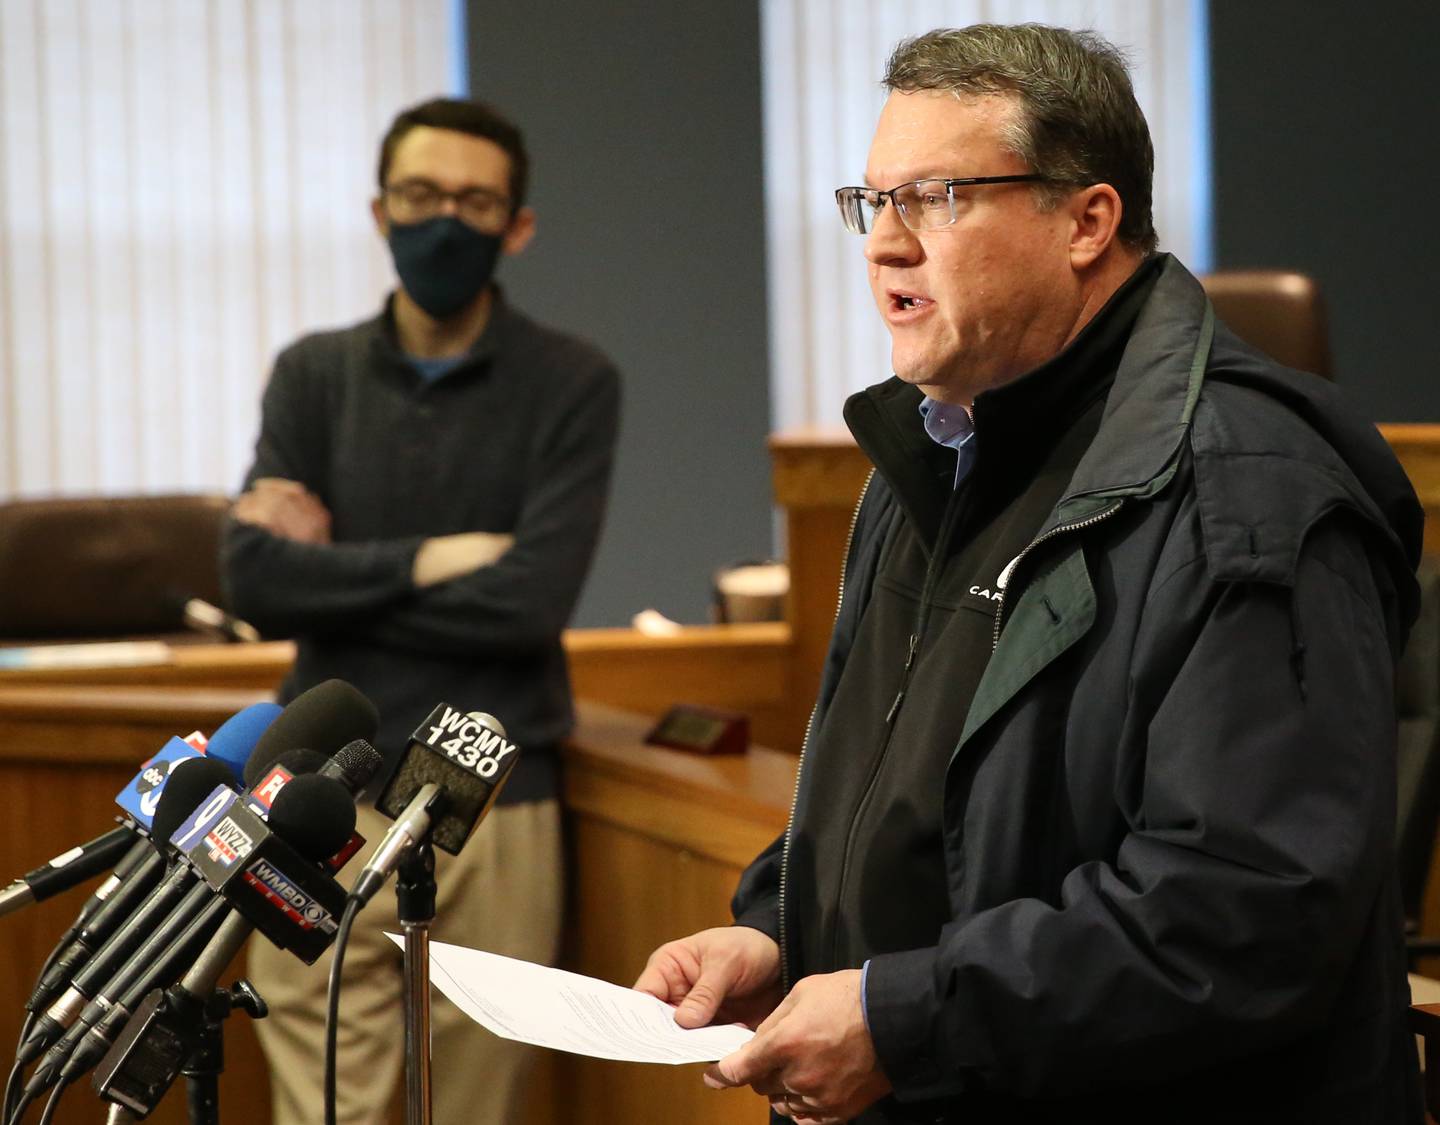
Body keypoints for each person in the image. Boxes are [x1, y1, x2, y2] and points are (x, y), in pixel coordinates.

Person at [636, 23, 1424, 1125]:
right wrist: (778, 932)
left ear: (1087, 221)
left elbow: (1244, 916)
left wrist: (908, 1017)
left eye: (938, 198)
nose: (885, 246)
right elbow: (912, 797)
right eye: (872, 204)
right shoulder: (935, 453)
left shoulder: (1244, 490)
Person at [222, 97, 619, 1125]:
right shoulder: (312, 375)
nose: (444, 220)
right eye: (421, 195)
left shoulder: (573, 381)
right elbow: (255, 582)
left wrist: (341, 574)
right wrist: (441, 559)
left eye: (475, 201)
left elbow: (529, 604)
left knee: (474, 1101)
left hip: (494, 795)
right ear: (379, 209)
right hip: (315, 796)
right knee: (320, 1102)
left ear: (516, 226)